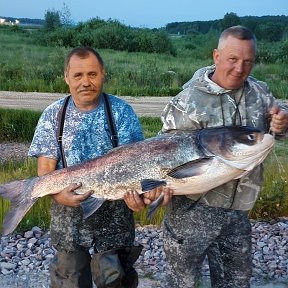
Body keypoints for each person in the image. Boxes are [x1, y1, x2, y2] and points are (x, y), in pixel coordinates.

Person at [125, 26, 288, 287]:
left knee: (236, 283)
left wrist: (283, 123)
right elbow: (158, 156)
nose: (240, 69)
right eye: (233, 59)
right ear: (216, 56)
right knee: (184, 283)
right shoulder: (187, 101)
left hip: (237, 213)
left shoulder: (260, 93)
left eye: (248, 61)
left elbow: (272, 129)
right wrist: (152, 191)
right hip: (191, 214)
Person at [28, 46, 145, 288]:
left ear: (103, 74)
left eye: (92, 74)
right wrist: (59, 196)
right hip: (68, 223)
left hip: (115, 223)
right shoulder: (52, 115)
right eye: (78, 75)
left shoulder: (122, 112)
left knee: (115, 281)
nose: (85, 82)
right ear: (66, 77)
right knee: (69, 281)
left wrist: (140, 199)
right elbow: (45, 170)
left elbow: (138, 167)